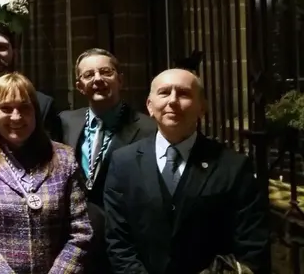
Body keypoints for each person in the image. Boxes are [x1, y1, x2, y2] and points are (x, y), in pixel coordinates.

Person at [104, 69, 270, 274]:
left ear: (202, 107)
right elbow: (118, 240)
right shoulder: (123, 162)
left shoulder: (233, 166)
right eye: (164, 93)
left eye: (183, 93)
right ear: (150, 106)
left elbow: (251, 244)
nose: (173, 101)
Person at [0, 73, 91, 273]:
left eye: (24, 108)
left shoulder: (63, 157)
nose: (16, 117)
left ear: (35, 112)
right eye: (6, 109)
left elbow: (81, 232)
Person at [59, 48, 156, 272]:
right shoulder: (65, 122)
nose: (98, 79)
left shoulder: (148, 129)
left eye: (105, 72)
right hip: (76, 243)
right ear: (79, 86)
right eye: (89, 75)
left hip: (125, 244)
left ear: (120, 80)